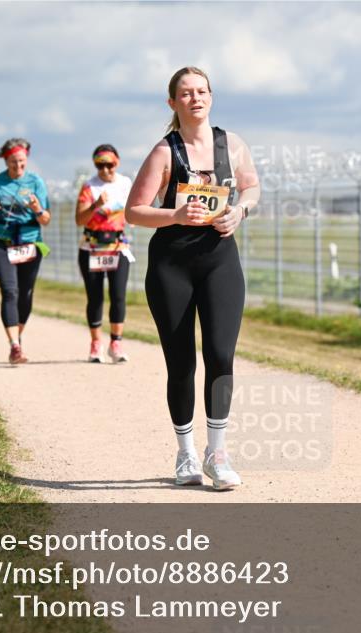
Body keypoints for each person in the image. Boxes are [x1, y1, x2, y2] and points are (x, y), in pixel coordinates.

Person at [126, 66, 260, 490]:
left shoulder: (232, 144)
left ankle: (217, 455)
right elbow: (134, 211)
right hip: (172, 266)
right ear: (173, 102)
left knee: (220, 355)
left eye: (202, 91)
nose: (195, 98)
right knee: (181, 362)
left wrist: (240, 211)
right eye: (186, 93)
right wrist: (176, 215)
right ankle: (185, 453)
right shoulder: (164, 152)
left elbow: (252, 187)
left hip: (220, 261)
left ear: (211, 96)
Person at [0, 138, 51, 364]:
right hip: (2, 241)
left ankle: (17, 337)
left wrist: (38, 209)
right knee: (10, 291)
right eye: (13, 162)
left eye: (21, 161)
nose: (18, 166)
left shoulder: (36, 182)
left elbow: (46, 219)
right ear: (5, 161)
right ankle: (15, 346)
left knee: (25, 293)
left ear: (26, 159)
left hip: (29, 242)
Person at [75, 144, 133, 363]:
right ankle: (96, 344)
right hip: (91, 248)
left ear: (117, 162)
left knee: (118, 295)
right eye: (100, 165)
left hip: (118, 247)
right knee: (95, 297)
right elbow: (79, 219)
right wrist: (95, 206)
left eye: (109, 165)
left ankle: (116, 343)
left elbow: (134, 209)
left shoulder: (125, 183)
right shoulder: (89, 186)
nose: (105, 170)